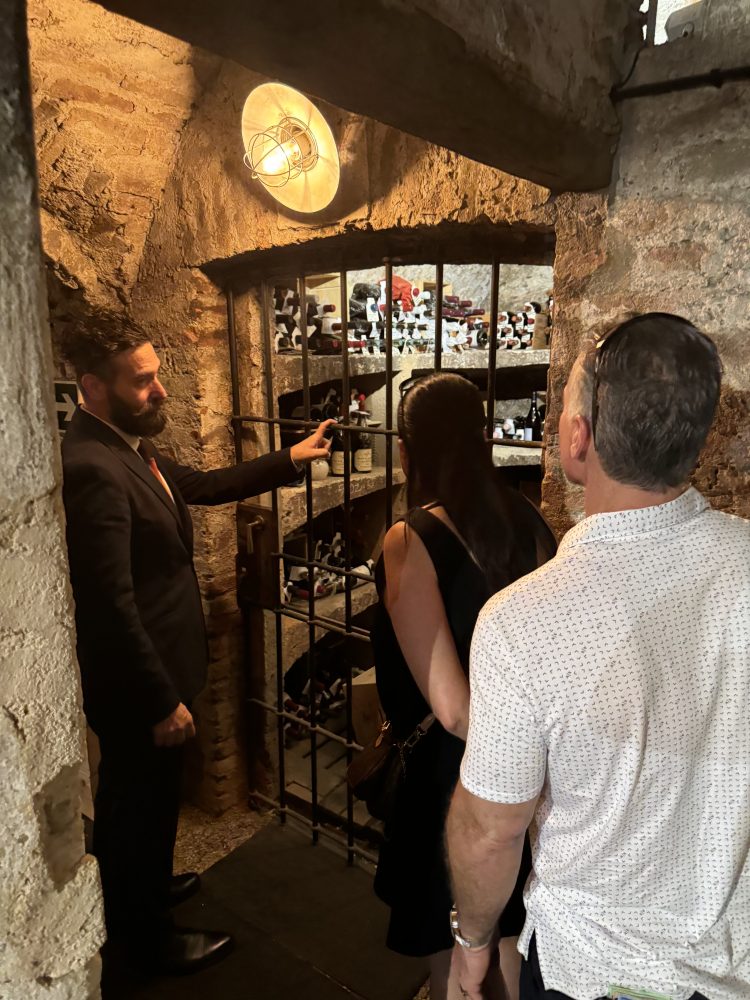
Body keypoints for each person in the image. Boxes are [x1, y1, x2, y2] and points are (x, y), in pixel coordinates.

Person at [446, 313, 750, 1000]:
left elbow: (490, 830)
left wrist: (471, 946)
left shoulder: (522, 620)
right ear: (696, 441)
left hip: (592, 973)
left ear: (578, 439)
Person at [59, 316, 331, 975]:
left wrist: (289, 459)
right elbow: (108, 605)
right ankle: (144, 941)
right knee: (137, 808)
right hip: (138, 687)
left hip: (153, 671)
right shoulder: (92, 466)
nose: (160, 392)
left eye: (158, 376)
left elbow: (203, 487)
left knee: (141, 804)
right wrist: (160, 700)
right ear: (93, 386)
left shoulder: (124, 445)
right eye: (143, 380)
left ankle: (141, 892)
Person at [372, 372, 556, 1000]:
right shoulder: (531, 522)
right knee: (507, 925)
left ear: (407, 449)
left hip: (453, 774)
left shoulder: (410, 540)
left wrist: (503, 762)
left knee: (459, 945)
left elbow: (452, 709)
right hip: (532, 765)